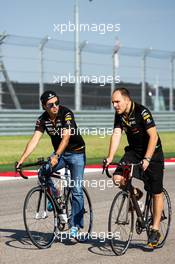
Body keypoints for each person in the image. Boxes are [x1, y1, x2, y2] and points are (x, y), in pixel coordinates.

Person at [16, 90, 86, 238]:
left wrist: (56, 155)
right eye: (50, 104)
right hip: (60, 154)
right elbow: (35, 139)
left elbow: (66, 138)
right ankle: (55, 197)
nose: (55, 106)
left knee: (77, 190)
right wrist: (22, 160)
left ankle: (75, 225)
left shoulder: (66, 113)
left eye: (57, 102)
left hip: (76, 153)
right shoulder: (42, 119)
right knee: (42, 172)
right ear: (44, 106)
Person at [106, 87, 164, 248]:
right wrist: (110, 157)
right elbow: (117, 134)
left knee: (156, 191)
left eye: (117, 102)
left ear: (126, 99)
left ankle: (155, 229)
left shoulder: (142, 112)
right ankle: (135, 193)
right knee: (117, 178)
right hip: (133, 152)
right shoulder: (119, 115)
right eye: (113, 102)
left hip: (152, 153)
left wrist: (147, 158)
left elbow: (153, 136)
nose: (115, 105)